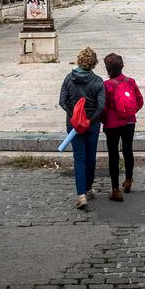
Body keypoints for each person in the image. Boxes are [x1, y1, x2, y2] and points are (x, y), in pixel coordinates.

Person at [58, 46, 105, 210]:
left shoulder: (68, 79)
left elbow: (62, 101)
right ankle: (89, 188)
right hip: (92, 125)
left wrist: (74, 116)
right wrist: (90, 120)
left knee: (79, 158)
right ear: (94, 64)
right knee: (90, 157)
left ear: (79, 60)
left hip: (74, 126)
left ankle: (81, 195)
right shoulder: (98, 81)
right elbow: (101, 106)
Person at [101, 52, 143, 202]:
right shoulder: (130, 81)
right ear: (122, 66)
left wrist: (103, 120)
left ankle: (115, 189)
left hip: (112, 124)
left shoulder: (106, 85)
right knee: (128, 150)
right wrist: (131, 112)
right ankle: (129, 179)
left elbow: (103, 107)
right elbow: (139, 100)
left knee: (113, 155)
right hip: (129, 122)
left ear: (107, 69)